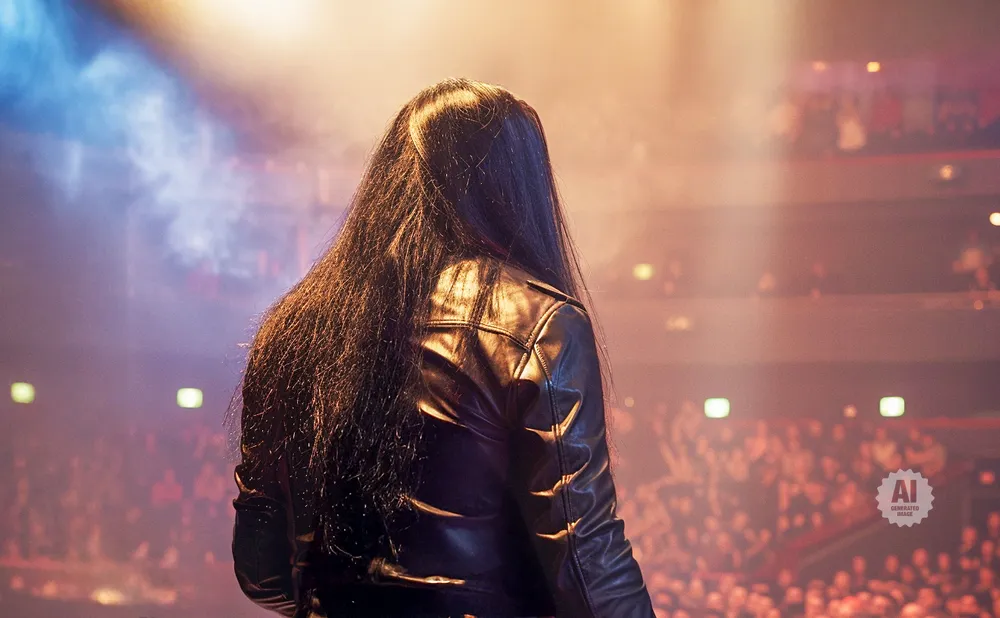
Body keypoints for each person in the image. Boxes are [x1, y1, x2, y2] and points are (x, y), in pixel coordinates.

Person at [231, 79, 653, 618]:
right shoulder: (537, 322)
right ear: (519, 188)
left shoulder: (293, 327)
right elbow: (587, 560)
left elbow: (261, 570)